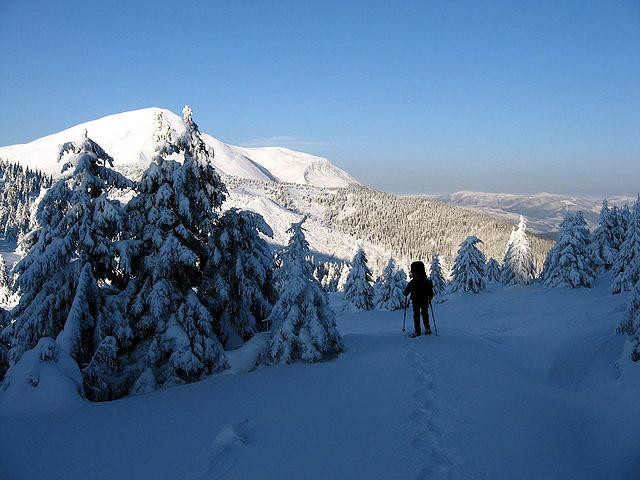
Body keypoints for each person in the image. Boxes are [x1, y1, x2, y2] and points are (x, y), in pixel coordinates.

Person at [403, 261, 434, 337]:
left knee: (416, 316)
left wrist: (406, 293)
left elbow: (405, 292)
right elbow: (430, 291)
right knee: (425, 314)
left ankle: (417, 331)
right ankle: (427, 328)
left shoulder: (412, 282)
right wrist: (430, 297)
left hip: (416, 301)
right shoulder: (426, 281)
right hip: (424, 300)